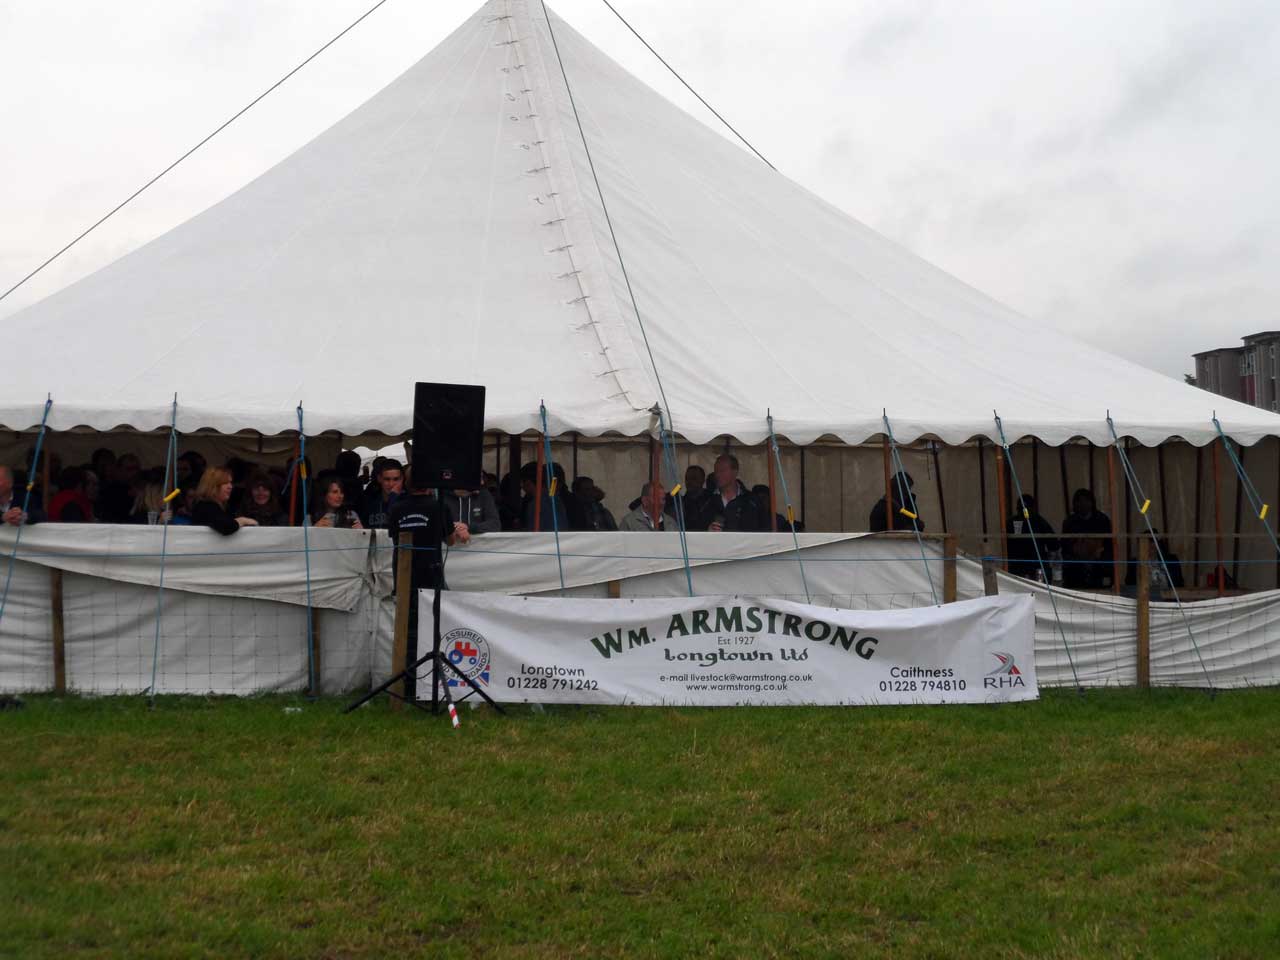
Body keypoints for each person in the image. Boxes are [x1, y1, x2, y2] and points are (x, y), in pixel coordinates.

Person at [388, 472, 466, 697]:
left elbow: (394, 535)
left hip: (404, 577)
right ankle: (433, 683)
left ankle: (408, 686)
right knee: (435, 631)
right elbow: (450, 539)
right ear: (429, 486)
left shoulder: (396, 508)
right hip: (431, 576)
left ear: (406, 484)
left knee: (408, 633)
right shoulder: (438, 507)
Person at [1061, 488, 1113, 589]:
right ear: (1075, 504)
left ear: (1091, 502)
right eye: (1079, 501)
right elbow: (1065, 546)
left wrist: (1095, 557)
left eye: (1085, 501)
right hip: (1075, 568)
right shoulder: (1070, 521)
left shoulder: (1102, 520)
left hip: (1098, 566)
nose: (1082, 504)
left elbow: (1108, 545)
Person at [698, 453, 764, 532]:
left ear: (735, 472)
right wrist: (707, 532)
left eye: (722, 470)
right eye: (716, 471)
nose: (718, 475)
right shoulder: (705, 501)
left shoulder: (752, 501)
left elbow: (764, 530)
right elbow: (693, 531)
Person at [191, 467, 258, 535]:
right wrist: (243, 520)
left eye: (230, 482)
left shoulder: (219, 507)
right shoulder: (206, 506)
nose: (230, 486)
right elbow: (226, 526)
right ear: (213, 486)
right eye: (225, 483)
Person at [1005, 495, 1057, 580]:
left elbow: (1053, 544)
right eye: (1020, 509)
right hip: (1017, 568)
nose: (1023, 511)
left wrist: (1049, 561)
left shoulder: (1039, 522)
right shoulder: (1011, 523)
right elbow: (1004, 544)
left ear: (1033, 508)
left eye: (1026, 508)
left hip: (1037, 567)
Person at [364, 459, 404, 529]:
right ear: (379, 478)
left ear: (402, 479)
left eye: (396, 479)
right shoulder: (369, 504)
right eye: (387, 479)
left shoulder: (409, 503)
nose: (391, 484)